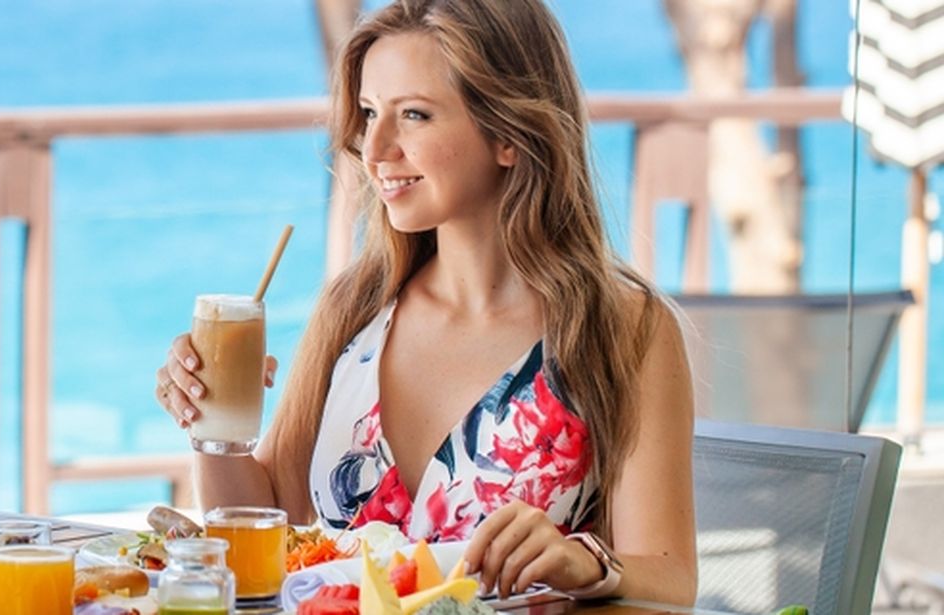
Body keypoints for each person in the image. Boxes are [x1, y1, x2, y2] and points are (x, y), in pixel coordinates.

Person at [152, 0, 697, 604]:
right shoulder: (355, 308)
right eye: (368, 113)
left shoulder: (624, 329)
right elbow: (262, 524)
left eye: (413, 115)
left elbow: (672, 581)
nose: (374, 147)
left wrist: (582, 561)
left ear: (509, 136)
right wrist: (214, 429)